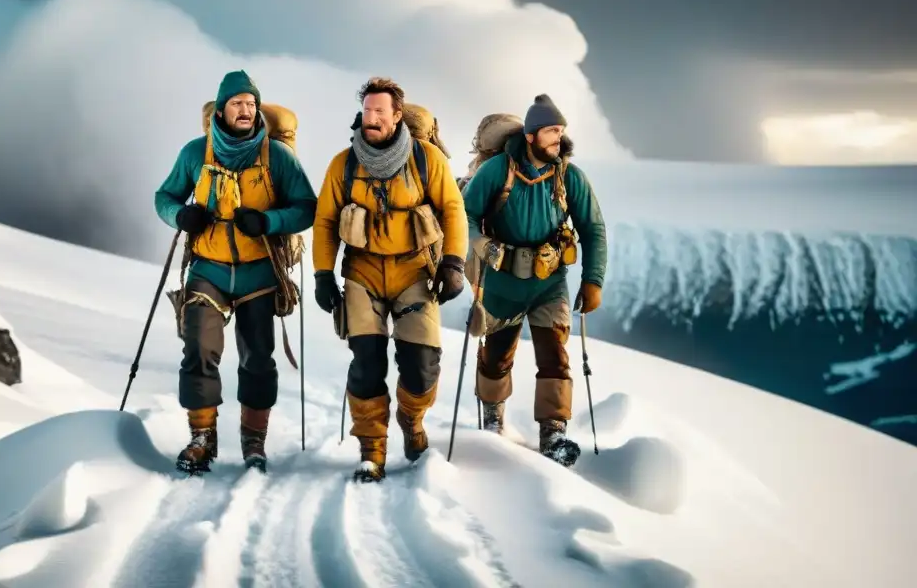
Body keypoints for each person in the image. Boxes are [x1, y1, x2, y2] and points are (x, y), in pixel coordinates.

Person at [155, 70, 317, 474]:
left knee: (258, 358)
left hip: (259, 272)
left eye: (251, 103)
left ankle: (253, 442)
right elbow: (164, 197)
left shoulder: (277, 157)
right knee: (198, 349)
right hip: (208, 268)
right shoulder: (196, 152)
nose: (245, 111)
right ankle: (202, 438)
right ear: (222, 111)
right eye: (237, 104)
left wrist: (268, 222)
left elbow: (306, 207)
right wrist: (180, 214)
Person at [312, 78, 468, 482]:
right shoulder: (343, 164)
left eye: (380, 111)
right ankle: (372, 449)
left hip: (415, 270)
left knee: (421, 365)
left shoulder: (426, 160)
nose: (372, 118)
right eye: (367, 111)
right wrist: (322, 274)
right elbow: (326, 221)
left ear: (398, 116)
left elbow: (452, 210)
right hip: (363, 270)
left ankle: (411, 420)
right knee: (366, 363)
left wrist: (453, 263)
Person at [462, 94, 607, 466]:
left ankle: (553, 434)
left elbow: (592, 228)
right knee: (495, 358)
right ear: (530, 135)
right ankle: (493, 420)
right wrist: (479, 241)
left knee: (555, 356)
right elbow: (465, 211)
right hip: (501, 281)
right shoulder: (496, 170)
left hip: (549, 282)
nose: (558, 137)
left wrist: (593, 280)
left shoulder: (568, 175)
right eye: (551, 130)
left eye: (560, 130)